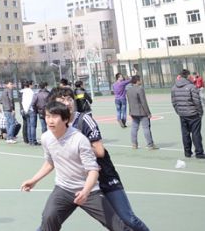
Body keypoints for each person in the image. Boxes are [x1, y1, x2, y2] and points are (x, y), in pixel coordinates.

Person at [50, 87, 150, 230]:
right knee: (49, 221)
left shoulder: (84, 120)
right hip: (77, 182)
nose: (67, 103)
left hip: (103, 177)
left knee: (127, 219)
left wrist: (76, 146)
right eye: (62, 100)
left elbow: (99, 151)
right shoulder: (54, 126)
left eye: (69, 99)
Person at [21, 101, 128, 231]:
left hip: (89, 191)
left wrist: (85, 192)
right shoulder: (46, 138)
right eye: (48, 116)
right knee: (48, 219)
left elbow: (93, 171)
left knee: (117, 226)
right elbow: (50, 163)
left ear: (65, 119)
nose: (50, 120)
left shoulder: (79, 139)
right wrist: (33, 180)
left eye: (54, 116)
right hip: (63, 189)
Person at [171, 69, 204, 159]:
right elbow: (197, 101)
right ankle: (199, 153)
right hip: (193, 114)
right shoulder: (191, 87)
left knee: (185, 134)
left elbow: (174, 102)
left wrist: (179, 111)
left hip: (182, 114)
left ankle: (187, 152)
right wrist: (200, 112)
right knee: (196, 134)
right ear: (188, 76)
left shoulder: (174, 87)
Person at [126, 75, 157, 150]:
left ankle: (134, 144)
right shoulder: (140, 89)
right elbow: (143, 102)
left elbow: (129, 102)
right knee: (146, 128)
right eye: (140, 80)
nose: (141, 81)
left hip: (133, 112)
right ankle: (150, 145)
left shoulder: (128, 90)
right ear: (137, 81)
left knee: (134, 128)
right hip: (142, 112)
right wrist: (148, 113)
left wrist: (130, 111)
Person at [20, 80, 35, 145]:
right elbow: (31, 101)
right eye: (32, 84)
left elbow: (23, 102)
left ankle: (29, 140)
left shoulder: (23, 92)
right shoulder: (31, 92)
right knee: (32, 126)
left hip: (25, 110)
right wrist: (28, 108)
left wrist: (25, 109)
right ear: (30, 85)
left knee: (28, 126)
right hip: (30, 110)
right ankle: (33, 140)